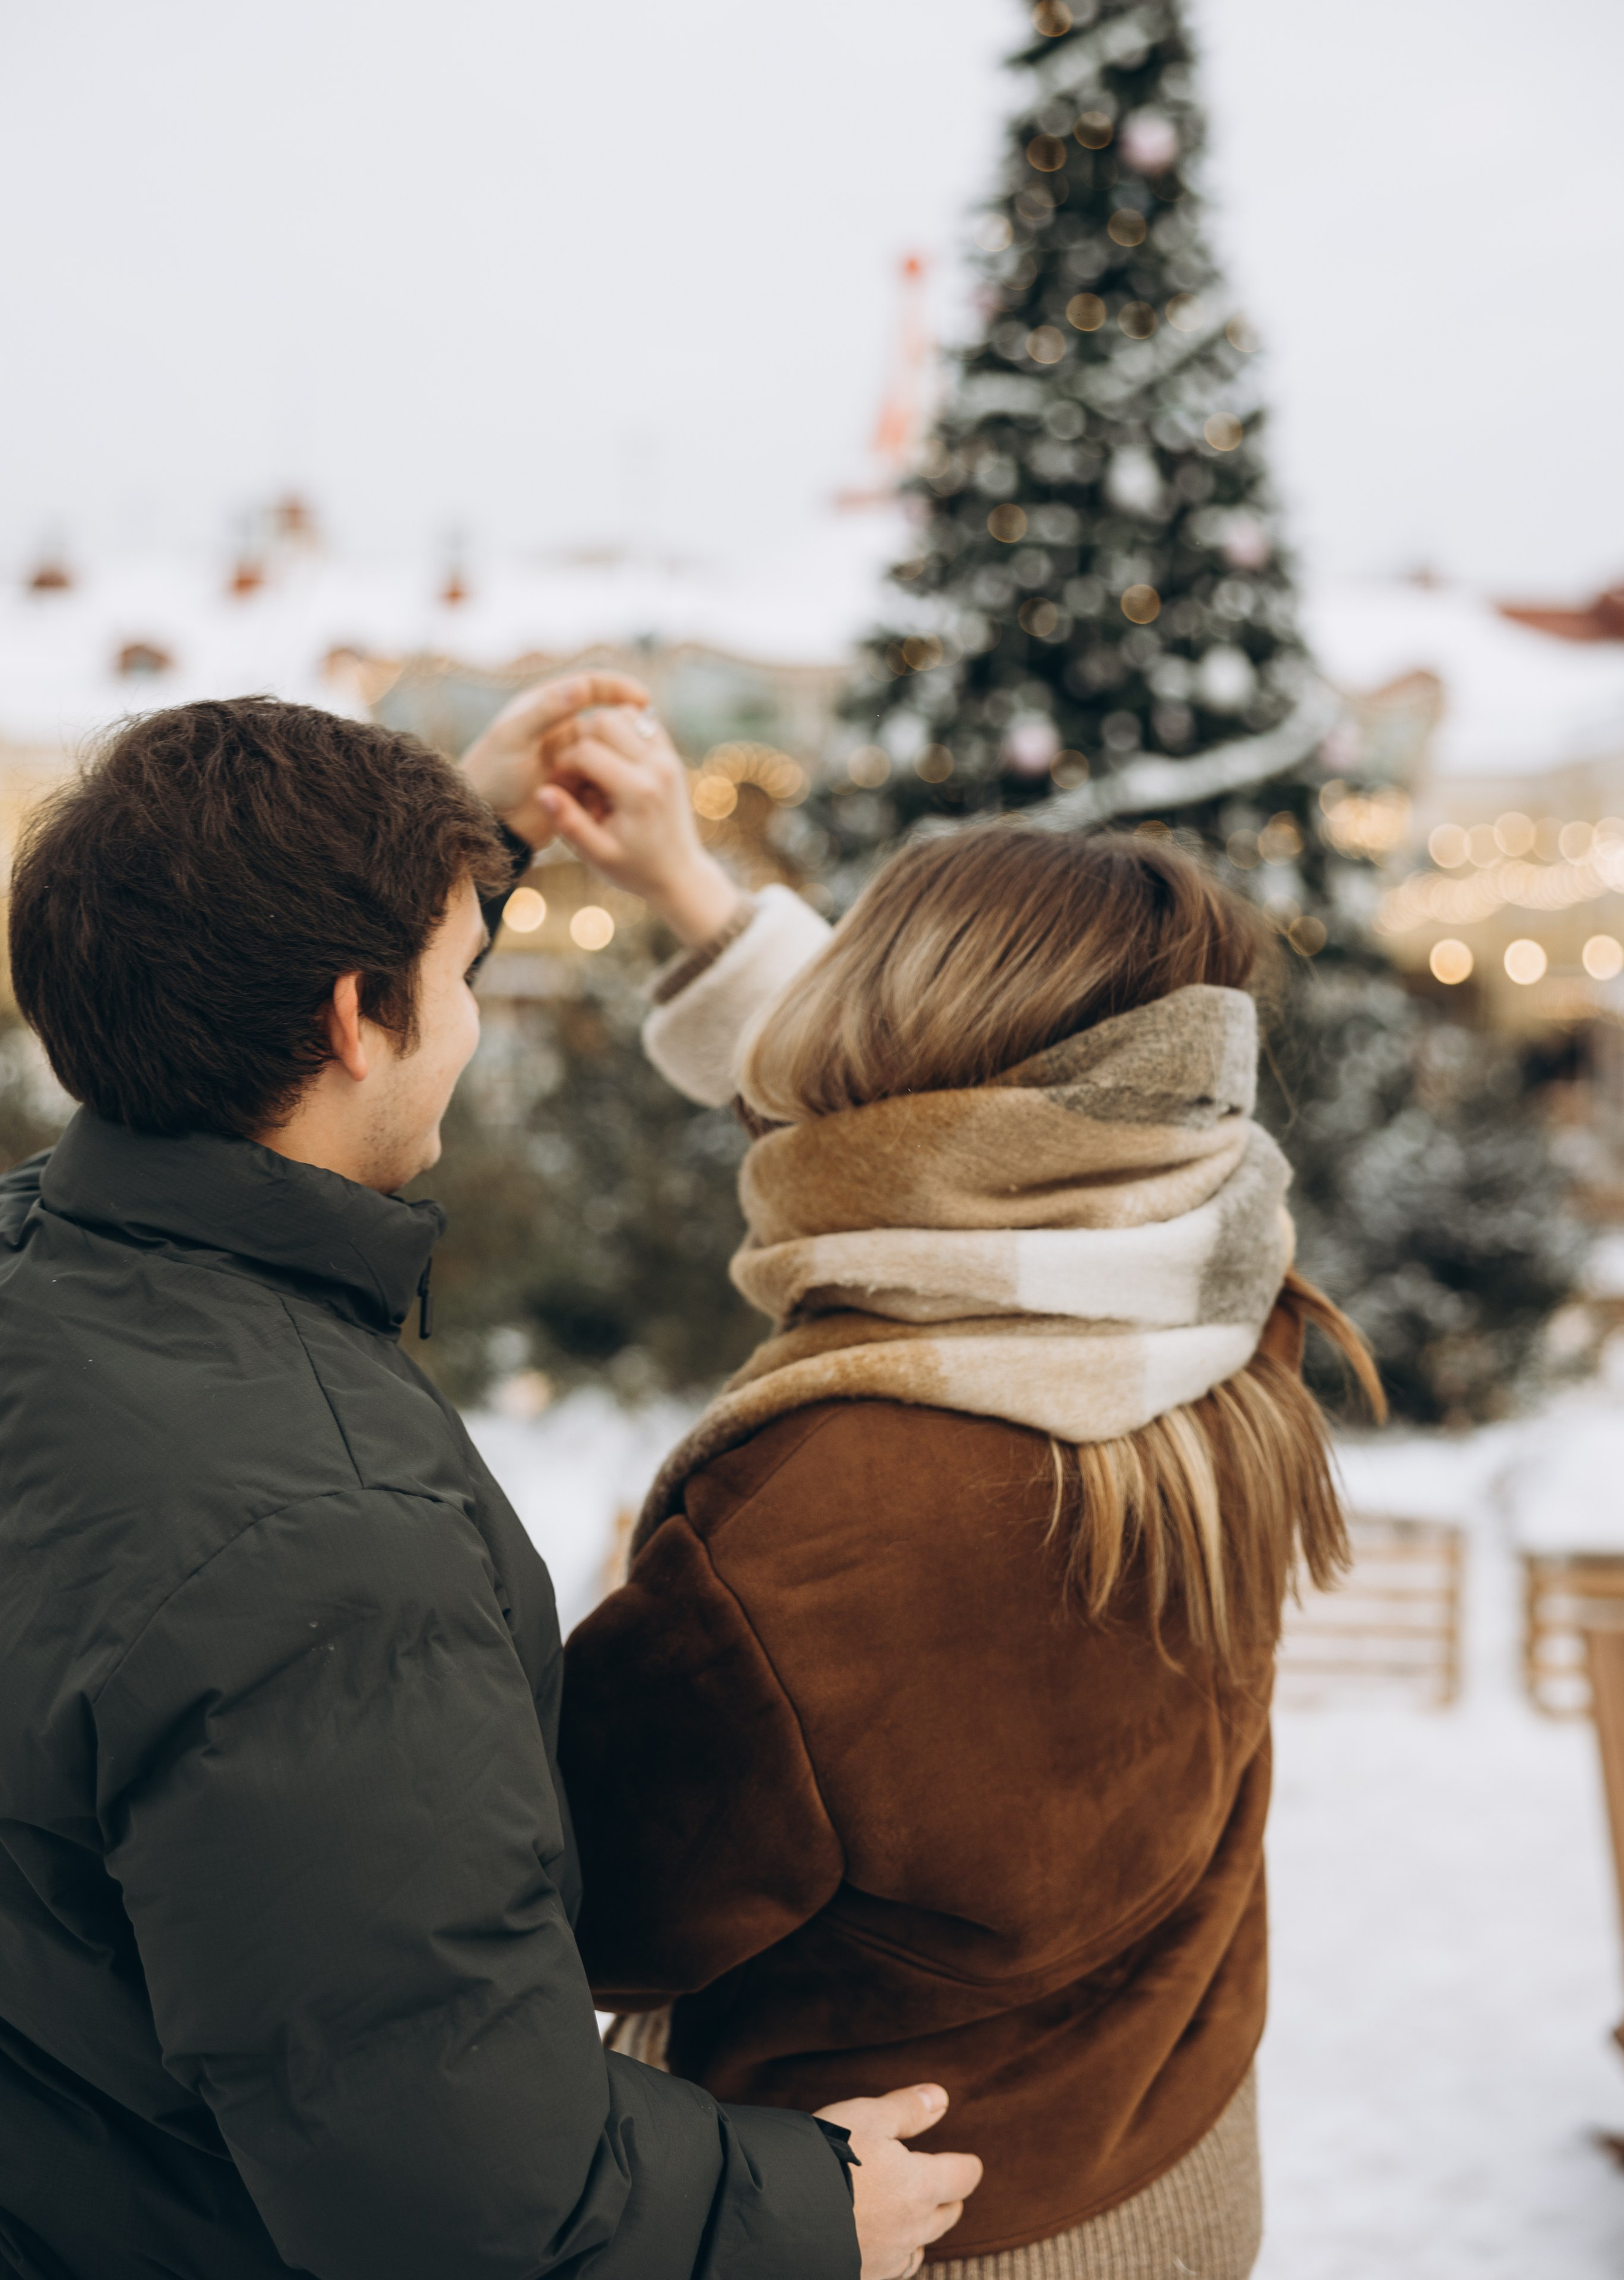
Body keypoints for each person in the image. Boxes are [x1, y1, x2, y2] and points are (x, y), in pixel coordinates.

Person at [0, 688, 981, 2280]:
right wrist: (797, 2208)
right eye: (464, 976)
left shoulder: (48, 1266)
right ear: (346, 1018)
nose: (470, 1018)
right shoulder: (319, 1550)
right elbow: (459, 2191)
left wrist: (474, 833)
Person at [523, 701, 1383, 2279]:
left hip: (893, 2221)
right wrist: (686, 886)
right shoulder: (1224, 1308)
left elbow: (581, 1904)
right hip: (1167, 2164)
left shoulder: (819, 1524)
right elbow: (962, 1159)